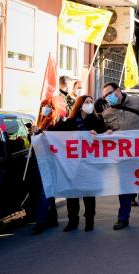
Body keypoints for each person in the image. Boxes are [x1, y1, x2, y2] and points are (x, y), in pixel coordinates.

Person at [100, 82, 139, 230]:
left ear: (119, 91)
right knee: (124, 188)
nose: (108, 97)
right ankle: (123, 218)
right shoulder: (107, 113)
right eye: (105, 96)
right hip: (123, 156)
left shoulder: (138, 101)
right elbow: (106, 131)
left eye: (110, 93)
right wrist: (107, 133)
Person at [52, 95, 106, 232]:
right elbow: (52, 133)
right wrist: (38, 132)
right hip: (73, 165)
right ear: (80, 105)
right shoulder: (70, 122)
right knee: (72, 193)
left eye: (91, 102)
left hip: (90, 164)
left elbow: (105, 137)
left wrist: (99, 134)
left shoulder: (98, 121)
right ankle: (72, 221)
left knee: (88, 194)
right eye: (87, 102)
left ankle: (89, 221)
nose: (90, 104)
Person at [30, 98, 61, 234]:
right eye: (43, 106)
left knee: (44, 190)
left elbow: (54, 141)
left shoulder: (56, 123)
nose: (46, 108)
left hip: (49, 160)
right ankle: (52, 217)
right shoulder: (40, 122)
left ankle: (40, 221)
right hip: (39, 159)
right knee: (45, 189)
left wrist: (39, 133)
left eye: (49, 106)